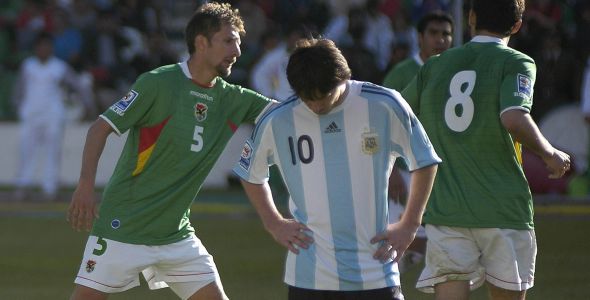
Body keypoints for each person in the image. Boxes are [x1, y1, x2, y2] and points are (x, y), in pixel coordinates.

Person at [66, 3, 274, 299]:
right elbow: (99, 128)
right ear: (201, 43)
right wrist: (85, 185)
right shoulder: (157, 83)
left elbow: (283, 115)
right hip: (123, 226)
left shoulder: (232, 98)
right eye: (229, 41)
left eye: (238, 42)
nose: (237, 51)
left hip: (176, 234)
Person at [233, 38, 440, 299]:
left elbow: (425, 160)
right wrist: (273, 222)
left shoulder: (383, 104)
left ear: (342, 78)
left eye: (323, 97)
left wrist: (410, 223)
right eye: (307, 99)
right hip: (309, 276)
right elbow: (249, 171)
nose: (316, 106)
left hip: (376, 270)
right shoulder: (278, 118)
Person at [401, 0, 571, 299]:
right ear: (517, 25)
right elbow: (513, 117)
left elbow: (399, 117)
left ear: (471, 18)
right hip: (503, 208)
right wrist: (550, 154)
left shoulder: (436, 65)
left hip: (447, 209)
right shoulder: (516, 62)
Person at [382, 10, 454, 271]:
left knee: (447, 247)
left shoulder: (457, 74)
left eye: (446, 34)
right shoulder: (401, 74)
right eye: (434, 33)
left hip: (445, 170)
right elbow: (381, 124)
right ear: (420, 37)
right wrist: (389, 173)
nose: (440, 40)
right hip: (405, 170)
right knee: (392, 251)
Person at [12, 32, 92, 201]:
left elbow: (78, 85)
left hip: (52, 115)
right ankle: (23, 184)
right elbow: (19, 88)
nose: (44, 49)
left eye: (48, 46)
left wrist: (87, 105)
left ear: (51, 48)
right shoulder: (28, 66)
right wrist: (19, 107)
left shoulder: (59, 67)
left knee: (52, 151)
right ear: (36, 48)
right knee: (26, 150)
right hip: (31, 114)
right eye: (41, 46)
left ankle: (49, 187)